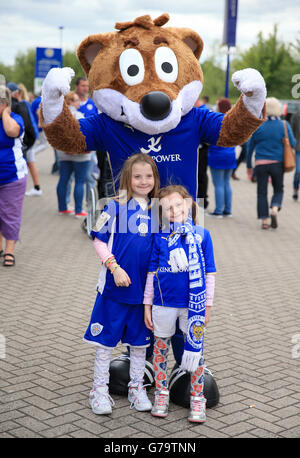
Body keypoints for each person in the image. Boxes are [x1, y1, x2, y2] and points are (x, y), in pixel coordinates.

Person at [83, 153, 160, 415]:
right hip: (115, 290)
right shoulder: (113, 207)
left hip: (143, 293)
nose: (143, 180)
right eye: (137, 176)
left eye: (148, 176)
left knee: (139, 344)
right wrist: (114, 268)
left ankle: (136, 387)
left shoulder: (159, 209)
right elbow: (98, 240)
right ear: (127, 178)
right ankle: (99, 390)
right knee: (105, 343)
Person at [144, 185, 216, 423]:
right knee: (160, 350)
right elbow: (151, 273)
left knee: (196, 351)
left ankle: (198, 397)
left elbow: (210, 275)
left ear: (188, 203)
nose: (173, 211)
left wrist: (207, 306)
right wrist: (147, 305)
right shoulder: (159, 236)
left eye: (177, 204)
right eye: (167, 208)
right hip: (163, 304)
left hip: (192, 307)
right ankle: (161, 393)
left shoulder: (202, 235)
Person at [247, 97, 296, 229]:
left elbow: (249, 147)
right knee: (278, 189)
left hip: (260, 164)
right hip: (277, 164)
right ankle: (274, 208)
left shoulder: (258, 126)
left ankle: (264, 221)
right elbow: (293, 143)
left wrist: (248, 166)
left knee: (262, 192)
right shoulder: (284, 125)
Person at [0, 85, 28, 266]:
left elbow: (12, 131)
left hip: (12, 177)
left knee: (10, 215)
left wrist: (5, 114)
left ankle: (9, 251)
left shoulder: (15, 119)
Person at [56, 91, 91, 217]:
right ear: (70, 101)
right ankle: (78, 210)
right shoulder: (80, 115)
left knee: (63, 180)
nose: (79, 102)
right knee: (80, 181)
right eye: (76, 100)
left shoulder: (59, 116)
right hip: (81, 155)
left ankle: (62, 208)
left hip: (63, 153)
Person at [207, 98, 237, 218]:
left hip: (217, 155)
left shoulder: (216, 120)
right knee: (226, 183)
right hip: (230, 155)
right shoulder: (233, 120)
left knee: (218, 184)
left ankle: (219, 210)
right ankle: (228, 210)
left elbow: (209, 138)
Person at [16, 83, 43, 197]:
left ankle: (24, 188)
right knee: (30, 162)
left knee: (26, 162)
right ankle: (37, 187)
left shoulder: (22, 104)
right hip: (33, 135)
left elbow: (28, 121)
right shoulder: (26, 103)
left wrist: (39, 124)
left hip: (30, 137)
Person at [290, 109, 300, 200]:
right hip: (298, 149)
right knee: (298, 171)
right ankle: (296, 188)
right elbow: (291, 133)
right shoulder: (296, 116)